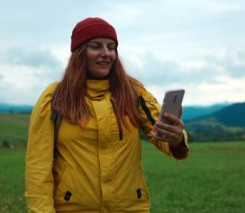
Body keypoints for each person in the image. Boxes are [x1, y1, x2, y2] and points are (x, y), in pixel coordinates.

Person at [25, 17, 189, 213]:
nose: (106, 54)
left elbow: (165, 138)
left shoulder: (134, 93)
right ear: (79, 52)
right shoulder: (54, 98)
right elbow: (38, 168)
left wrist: (176, 137)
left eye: (111, 47)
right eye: (96, 46)